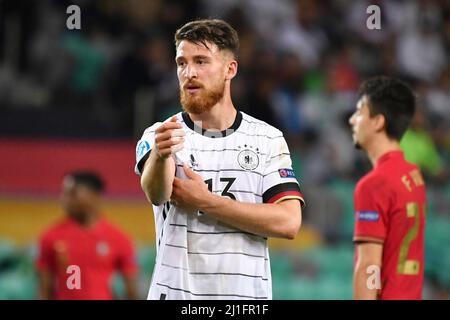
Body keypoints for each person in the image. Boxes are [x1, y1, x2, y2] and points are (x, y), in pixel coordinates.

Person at [135, 19, 304, 300]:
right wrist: (162, 154)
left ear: (230, 69)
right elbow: (156, 193)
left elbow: (288, 223)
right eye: (181, 63)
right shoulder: (161, 134)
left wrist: (206, 202)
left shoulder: (267, 139)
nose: (189, 72)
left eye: (201, 61)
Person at [349, 76, 426, 299]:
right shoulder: (413, 175)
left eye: (360, 112)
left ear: (378, 122)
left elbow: (370, 265)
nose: (352, 120)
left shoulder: (374, 185)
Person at [36, 171, 138, 300]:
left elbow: (131, 291)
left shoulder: (118, 238)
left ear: (93, 196)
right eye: (63, 193)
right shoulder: (51, 236)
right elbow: (44, 291)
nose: (64, 199)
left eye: (72, 193)